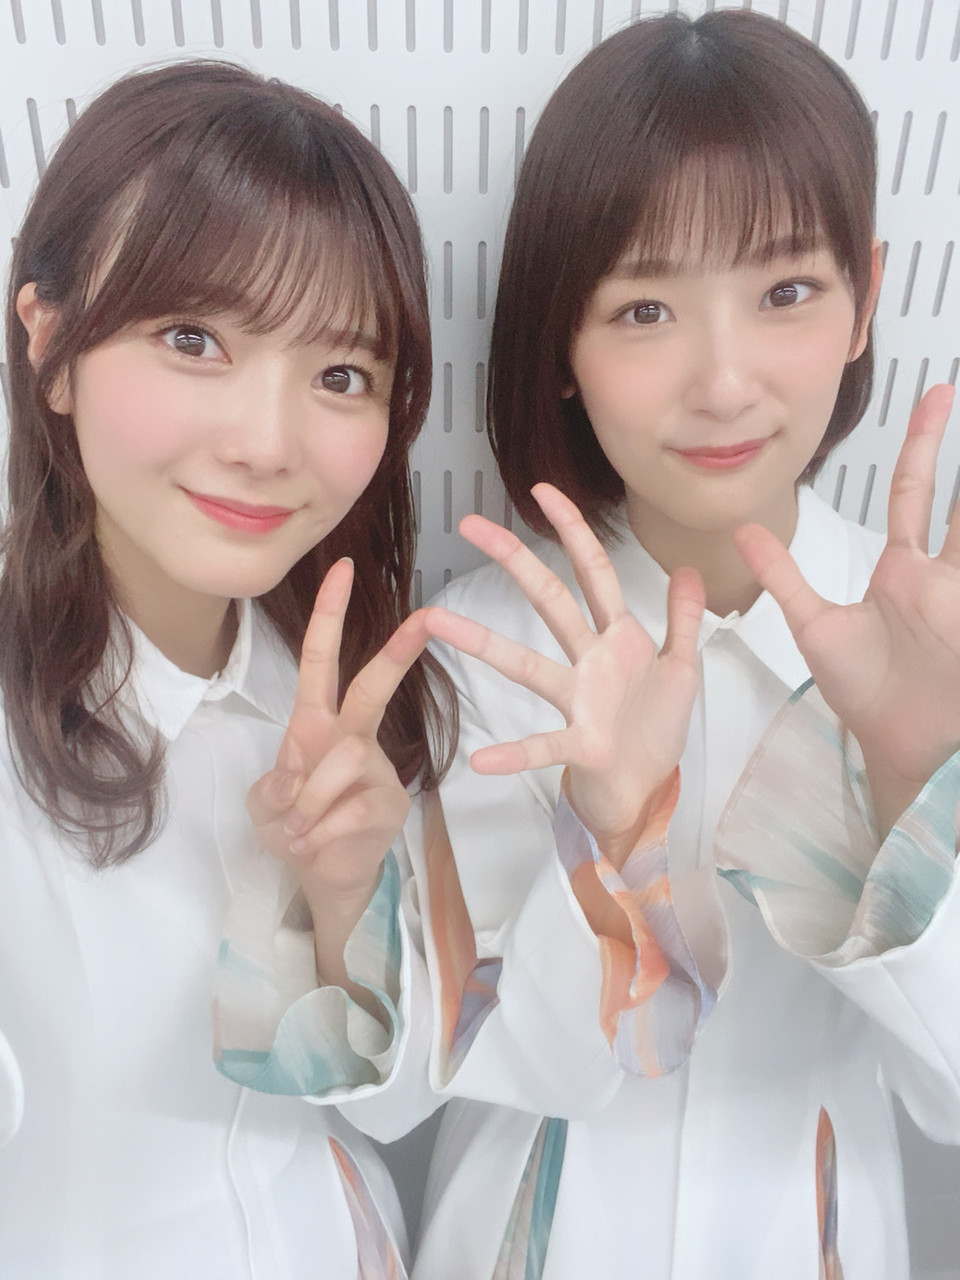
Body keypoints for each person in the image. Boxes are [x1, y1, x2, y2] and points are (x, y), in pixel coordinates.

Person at [405, 11, 960, 1279]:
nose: (723, 381)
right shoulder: (485, 649)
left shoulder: (936, 645)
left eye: (786, 292)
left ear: (867, 299)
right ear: (562, 341)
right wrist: (607, 831)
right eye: (645, 306)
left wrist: (911, 785)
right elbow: (476, 1058)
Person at [0, 59, 448, 1279]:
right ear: (50, 342)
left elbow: (395, 1107)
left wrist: (349, 897)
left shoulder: (359, 695)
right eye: (193, 338)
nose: (266, 441)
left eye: (340, 374)